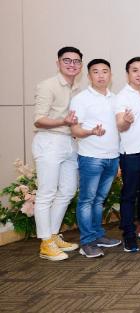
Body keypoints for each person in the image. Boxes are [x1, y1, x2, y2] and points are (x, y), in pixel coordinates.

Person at [32, 46, 83, 260]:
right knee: (47, 193)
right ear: (58, 63)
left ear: (81, 65)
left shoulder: (78, 89)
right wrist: (64, 121)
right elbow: (39, 119)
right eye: (67, 60)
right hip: (49, 141)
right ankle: (45, 243)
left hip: (69, 143)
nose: (72, 64)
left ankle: (53, 235)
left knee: (68, 191)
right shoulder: (48, 85)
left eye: (76, 61)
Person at [70, 59, 122, 258]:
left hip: (112, 157)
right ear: (89, 75)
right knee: (87, 200)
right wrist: (91, 132)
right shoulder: (81, 99)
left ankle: (98, 235)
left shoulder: (115, 98)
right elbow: (75, 130)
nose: (101, 75)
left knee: (99, 200)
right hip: (91, 157)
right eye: (96, 71)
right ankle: (87, 242)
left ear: (111, 75)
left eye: (105, 71)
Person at [116, 57, 140, 252]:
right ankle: (128, 235)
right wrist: (126, 121)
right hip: (131, 153)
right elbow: (120, 125)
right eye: (135, 70)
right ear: (127, 74)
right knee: (129, 196)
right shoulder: (122, 96)